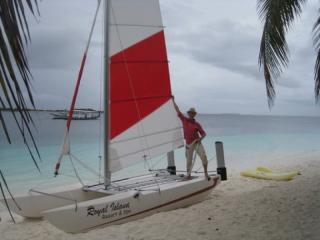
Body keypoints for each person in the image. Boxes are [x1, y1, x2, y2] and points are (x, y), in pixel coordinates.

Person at [173, 99, 209, 180]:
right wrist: (173, 100)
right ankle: (188, 175)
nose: (191, 114)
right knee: (189, 161)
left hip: (196, 143)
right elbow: (177, 110)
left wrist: (200, 139)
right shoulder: (184, 119)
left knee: (204, 157)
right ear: (188, 113)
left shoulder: (197, 124)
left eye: (193, 113)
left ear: (194, 114)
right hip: (189, 144)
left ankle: (206, 173)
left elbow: (204, 133)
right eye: (190, 113)